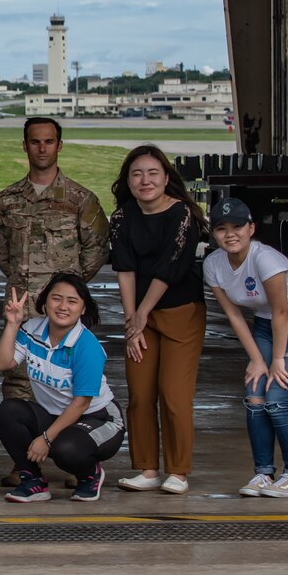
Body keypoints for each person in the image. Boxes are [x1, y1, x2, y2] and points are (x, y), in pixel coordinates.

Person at [0, 118, 111, 455]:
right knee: (16, 384)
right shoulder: (6, 200)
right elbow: (1, 250)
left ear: (59, 145)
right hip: (21, 307)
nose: (42, 148)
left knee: (68, 383)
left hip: (63, 313)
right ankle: (22, 461)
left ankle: (74, 453)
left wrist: (66, 290)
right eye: (35, 142)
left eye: (49, 141)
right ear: (24, 146)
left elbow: (97, 249)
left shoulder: (81, 199)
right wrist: (24, 282)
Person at [201, 197, 288, 498]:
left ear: (251, 228)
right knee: (255, 396)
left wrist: (278, 360)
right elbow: (233, 314)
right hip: (266, 325)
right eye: (221, 228)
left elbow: (281, 311)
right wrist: (257, 360)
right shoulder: (213, 265)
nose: (230, 234)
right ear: (214, 233)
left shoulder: (265, 259)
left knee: (277, 399)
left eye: (238, 227)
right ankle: (263, 473)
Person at [109, 145, 206, 493]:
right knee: (140, 393)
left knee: (174, 395)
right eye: (137, 174)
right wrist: (131, 321)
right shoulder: (121, 218)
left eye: (152, 173)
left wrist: (141, 315)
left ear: (166, 178)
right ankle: (147, 469)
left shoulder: (182, 215)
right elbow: (125, 270)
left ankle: (178, 471)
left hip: (180, 313)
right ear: (128, 181)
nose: (145, 180)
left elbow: (168, 269)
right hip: (140, 316)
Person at [0, 274, 125, 503]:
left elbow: (81, 403)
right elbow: (3, 363)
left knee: (66, 449)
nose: (63, 306)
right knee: (9, 411)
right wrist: (13, 325)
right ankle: (33, 482)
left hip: (98, 418)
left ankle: (90, 475)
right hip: (56, 417)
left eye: (72, 301)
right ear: (45, 302)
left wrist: (45, 438)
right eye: (56, 299)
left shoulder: (86, 346)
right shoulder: (32, 329)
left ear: (83, 309)